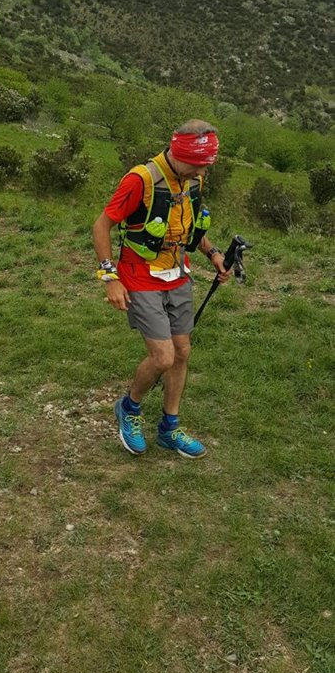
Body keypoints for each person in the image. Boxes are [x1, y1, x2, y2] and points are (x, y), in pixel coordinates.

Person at [92, 119, 232, 459]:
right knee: (163, 356)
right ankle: (129, 408)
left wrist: (212, 252)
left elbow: (189, 226)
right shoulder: (141, 179)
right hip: (139, 276)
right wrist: (109, 277)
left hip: (177, 273)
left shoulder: (193, 179)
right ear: (180, 154)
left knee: (182, 352)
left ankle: (169, 428)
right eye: (199, 164)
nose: (203, 171)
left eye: (206, 165)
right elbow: (102, 224)